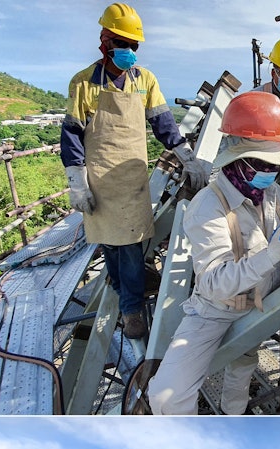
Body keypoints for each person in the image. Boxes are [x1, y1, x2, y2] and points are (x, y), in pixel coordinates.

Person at [146, 91, 280, 414]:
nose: (273, 170)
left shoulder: (271, 193)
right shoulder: (207, 207)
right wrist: (271, 256)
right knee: (166, 397)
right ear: (241, 160)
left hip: (259, 303)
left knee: (242, 365)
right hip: (215, 311)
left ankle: (232, 419)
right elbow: (215, 282)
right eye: (266, 162)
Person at [60, 2, 209, 340]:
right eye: (121, 44)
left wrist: (187, 156)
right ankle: (122, 289)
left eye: (133, 45)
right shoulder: (84, 83)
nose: (128, 51)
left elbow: (163, 122)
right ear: (105, 41)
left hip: (130, 176)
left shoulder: (144, 80)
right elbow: (71, 132)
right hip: (98, 177)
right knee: (109, 243)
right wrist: (76, 180)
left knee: (128, 243)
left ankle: (130, 307)